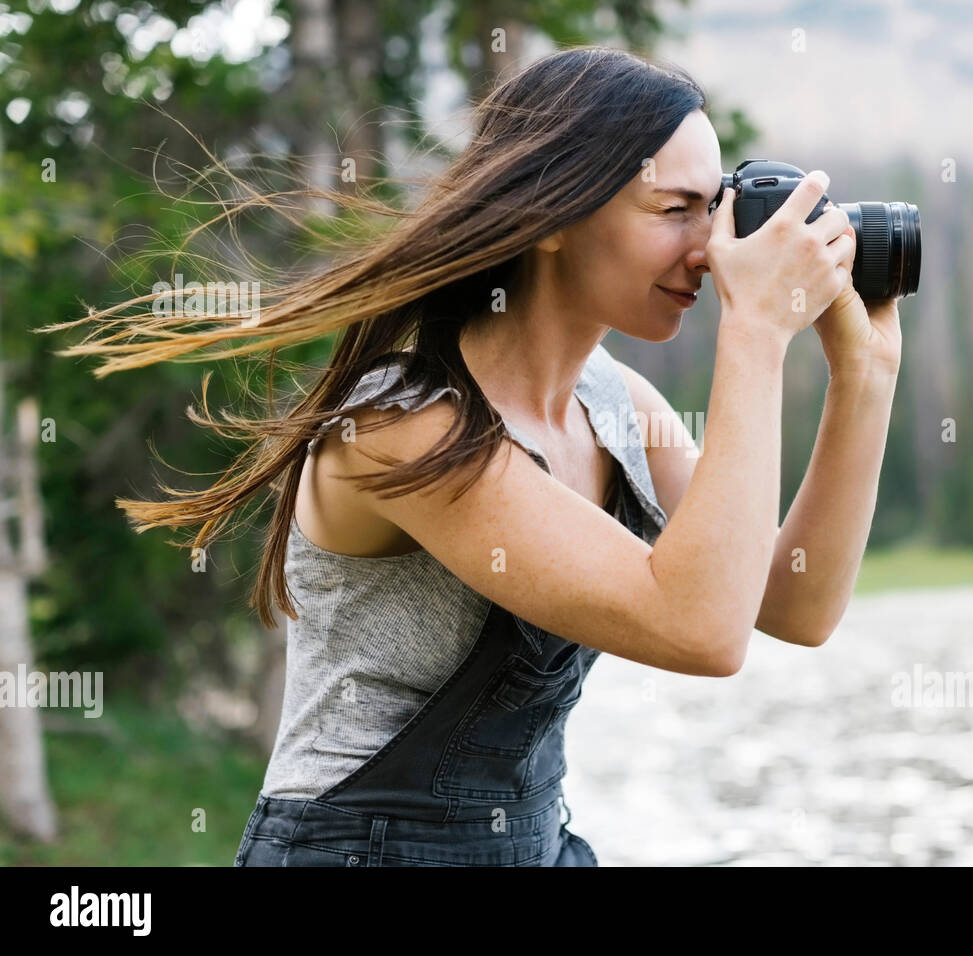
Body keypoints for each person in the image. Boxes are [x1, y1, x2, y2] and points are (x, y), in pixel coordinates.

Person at [43, 45, 901, 866]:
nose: (710, 249)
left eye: (714, 210)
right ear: (556, 214)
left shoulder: (621, 407)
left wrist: (864, 377)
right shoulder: (402, 425)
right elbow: (703, 632)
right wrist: (754, 333)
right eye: (675, 210)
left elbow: (793, 603)